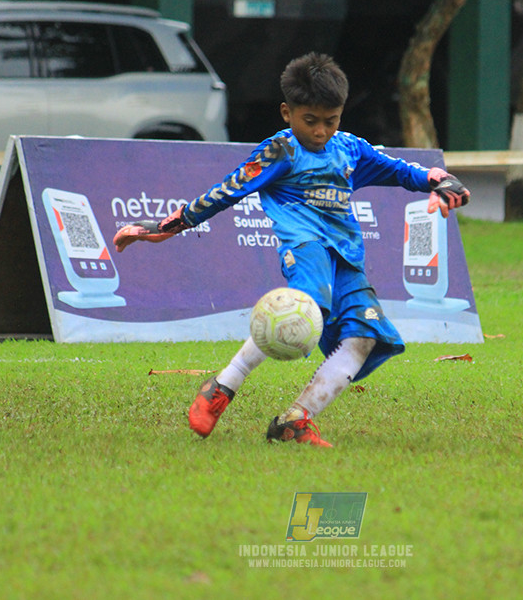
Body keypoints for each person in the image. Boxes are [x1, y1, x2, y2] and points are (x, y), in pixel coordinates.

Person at [113, 52, 469, 447]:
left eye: (330, 121)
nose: (320, 131)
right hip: (305, 247)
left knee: (365, 339)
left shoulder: (350, 149)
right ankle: (223, 386)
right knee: (301, 307)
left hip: (348, 257)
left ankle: (296, 419)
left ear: (341, 115)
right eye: (310, 121)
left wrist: (442, 182)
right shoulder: (279, 151)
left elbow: (404, 171)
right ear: (287, 112)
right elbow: (227, 191)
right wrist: (168, 226)